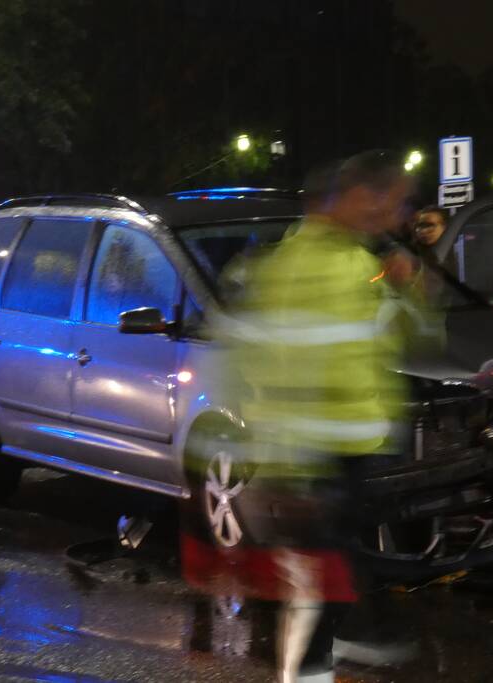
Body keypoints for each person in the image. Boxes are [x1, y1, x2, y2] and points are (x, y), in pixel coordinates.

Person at [215, 150, 413, 682]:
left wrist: (402, 290)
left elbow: (382, 348)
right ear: (357, 198)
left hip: (355, 450)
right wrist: (280, 468)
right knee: (324, 582)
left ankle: (337, 646)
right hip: (308, 457)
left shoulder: (359, 262)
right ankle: (312, 669)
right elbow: (252, 364)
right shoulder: (291, 267)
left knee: (337, 577)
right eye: (390, 203)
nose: (395, 216)